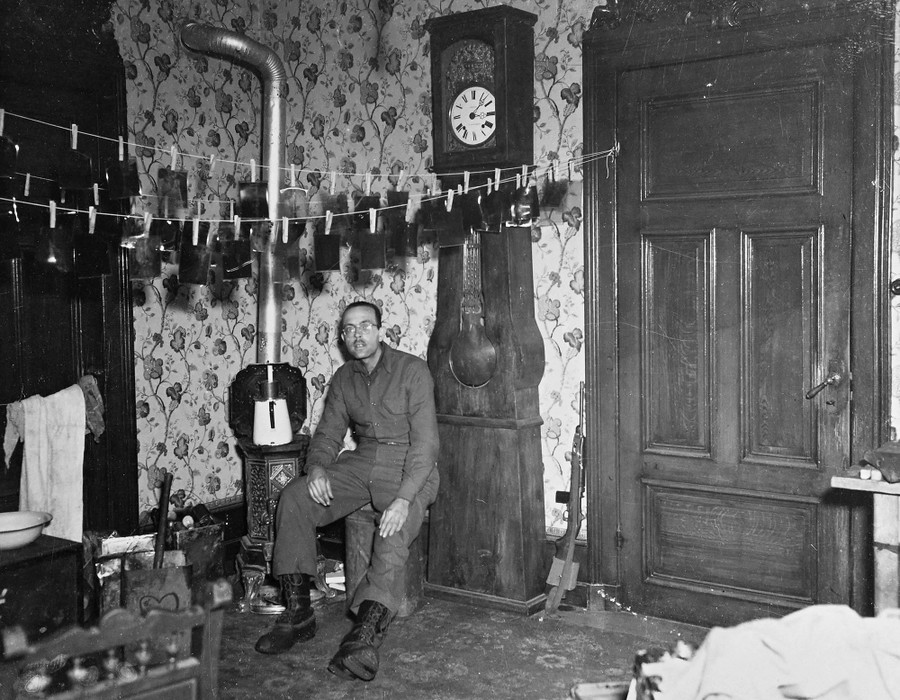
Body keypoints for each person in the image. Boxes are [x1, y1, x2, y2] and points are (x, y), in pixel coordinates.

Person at [255, 300, 440, 682]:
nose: (358, 335)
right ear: (342, 336)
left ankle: (364, 637)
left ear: (380, 330)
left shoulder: (412, 370)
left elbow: (425, 446)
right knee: (295, 496)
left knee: (391, 529)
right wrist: (317, 468)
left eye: (366, 326)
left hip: (409, 467)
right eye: (350, 329)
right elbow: (327, 434)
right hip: (362, 461)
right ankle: (298, 614)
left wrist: (404, 499)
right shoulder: (343, 378)